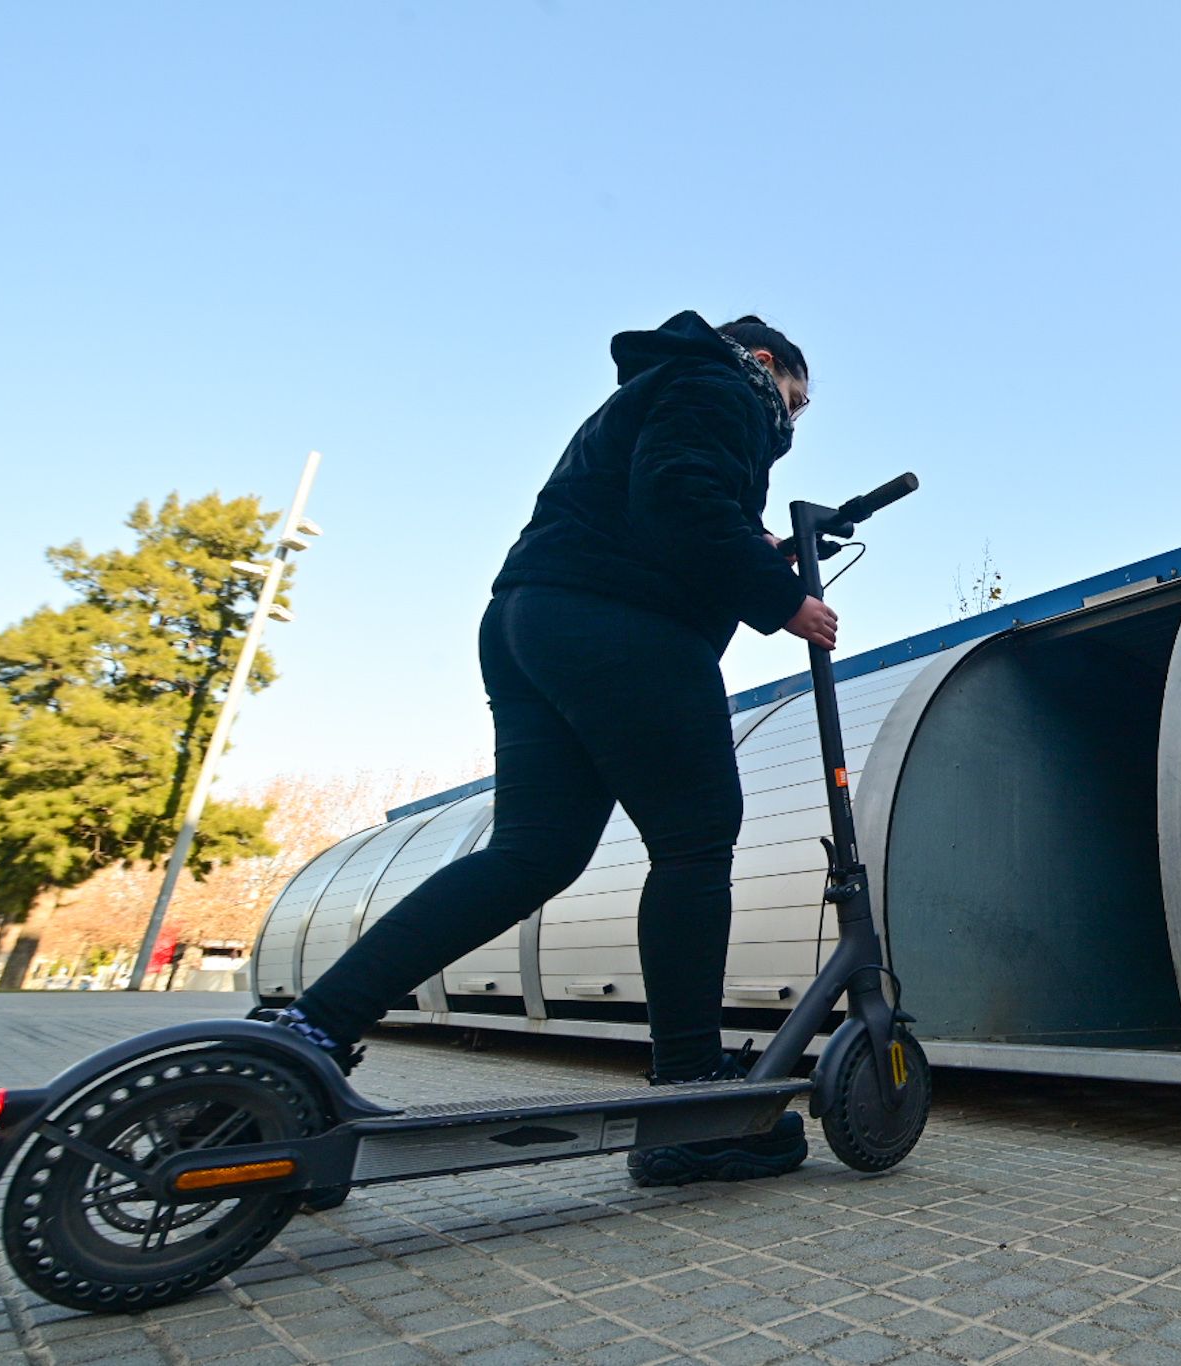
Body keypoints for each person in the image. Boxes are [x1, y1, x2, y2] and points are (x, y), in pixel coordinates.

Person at [251, 311, 837, 1187]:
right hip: (621, 625)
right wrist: (782, 597)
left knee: (534, 851)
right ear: (764, 364)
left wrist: (747, 548)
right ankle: (687, 1100)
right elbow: (682, 496)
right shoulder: (723, 384)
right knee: (694, 838)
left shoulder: (658, 388)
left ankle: (313, 1029)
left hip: (533, 617)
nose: (785, 425)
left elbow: (662, 502)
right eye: (792, 402)